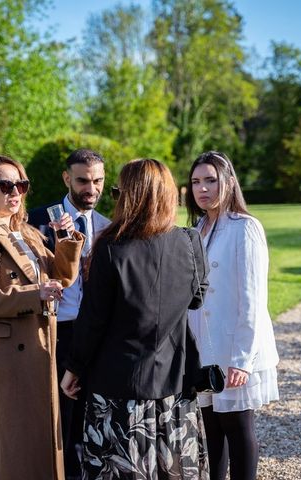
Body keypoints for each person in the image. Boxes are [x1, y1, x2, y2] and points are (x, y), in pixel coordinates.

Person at [60, 158, 210, 479]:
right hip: (173, 382)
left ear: (131, 196)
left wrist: (74, 367)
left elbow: (93, 319)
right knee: (172, 471)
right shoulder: (189, 241)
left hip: (118, 388)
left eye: (117, 191)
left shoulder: (111, 248)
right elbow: (197, 298)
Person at [0, 154, 84, 480]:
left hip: (38, 352)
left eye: (21, 185)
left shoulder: (24, 231)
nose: (16, 192)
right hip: (5, 363)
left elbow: (62, 277)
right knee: (7, 450)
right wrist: (33, 296)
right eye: (6, 185)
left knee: (37, 446)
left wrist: (66, 240)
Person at [185, 151, 279, 480]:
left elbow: (253, 298)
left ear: (229, 182)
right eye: (196, 182)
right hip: (206, 349)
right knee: (212, 429)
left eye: (210, 180)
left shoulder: (245, 228)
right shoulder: (198, 228)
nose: (202, 188)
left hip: (234, 347)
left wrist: (243, 358)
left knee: (237, 427)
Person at [27, 149, 111, 480]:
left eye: (98, 181)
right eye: (83, 181)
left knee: (90, 413)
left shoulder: (108, 227)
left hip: (95, 333)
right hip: (54, 331)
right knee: (57, 412)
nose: (91, 189)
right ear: (66, 179)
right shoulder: (36, 221)